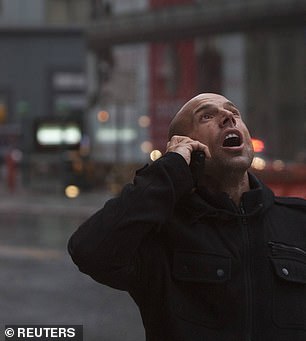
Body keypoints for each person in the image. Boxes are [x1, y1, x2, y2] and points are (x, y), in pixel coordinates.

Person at [68, 93, 306, 341]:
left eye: (233, 112)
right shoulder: (164, 234)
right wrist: (172, 168)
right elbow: (89, 250)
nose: (228, 117)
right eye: (206, 116)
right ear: (187, 147)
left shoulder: (297, 220)